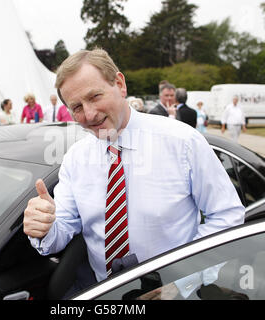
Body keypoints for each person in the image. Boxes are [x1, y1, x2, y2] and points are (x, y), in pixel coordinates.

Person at [23, 48, 244, 296]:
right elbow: (62, 228)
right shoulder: (75, 158)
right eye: (77, 107)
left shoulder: (183, 143)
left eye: (95, 96)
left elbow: (227, 215)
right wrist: (44, 227)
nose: (89, 115)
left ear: (119, 84)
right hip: (104, 292)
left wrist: (181, 280)